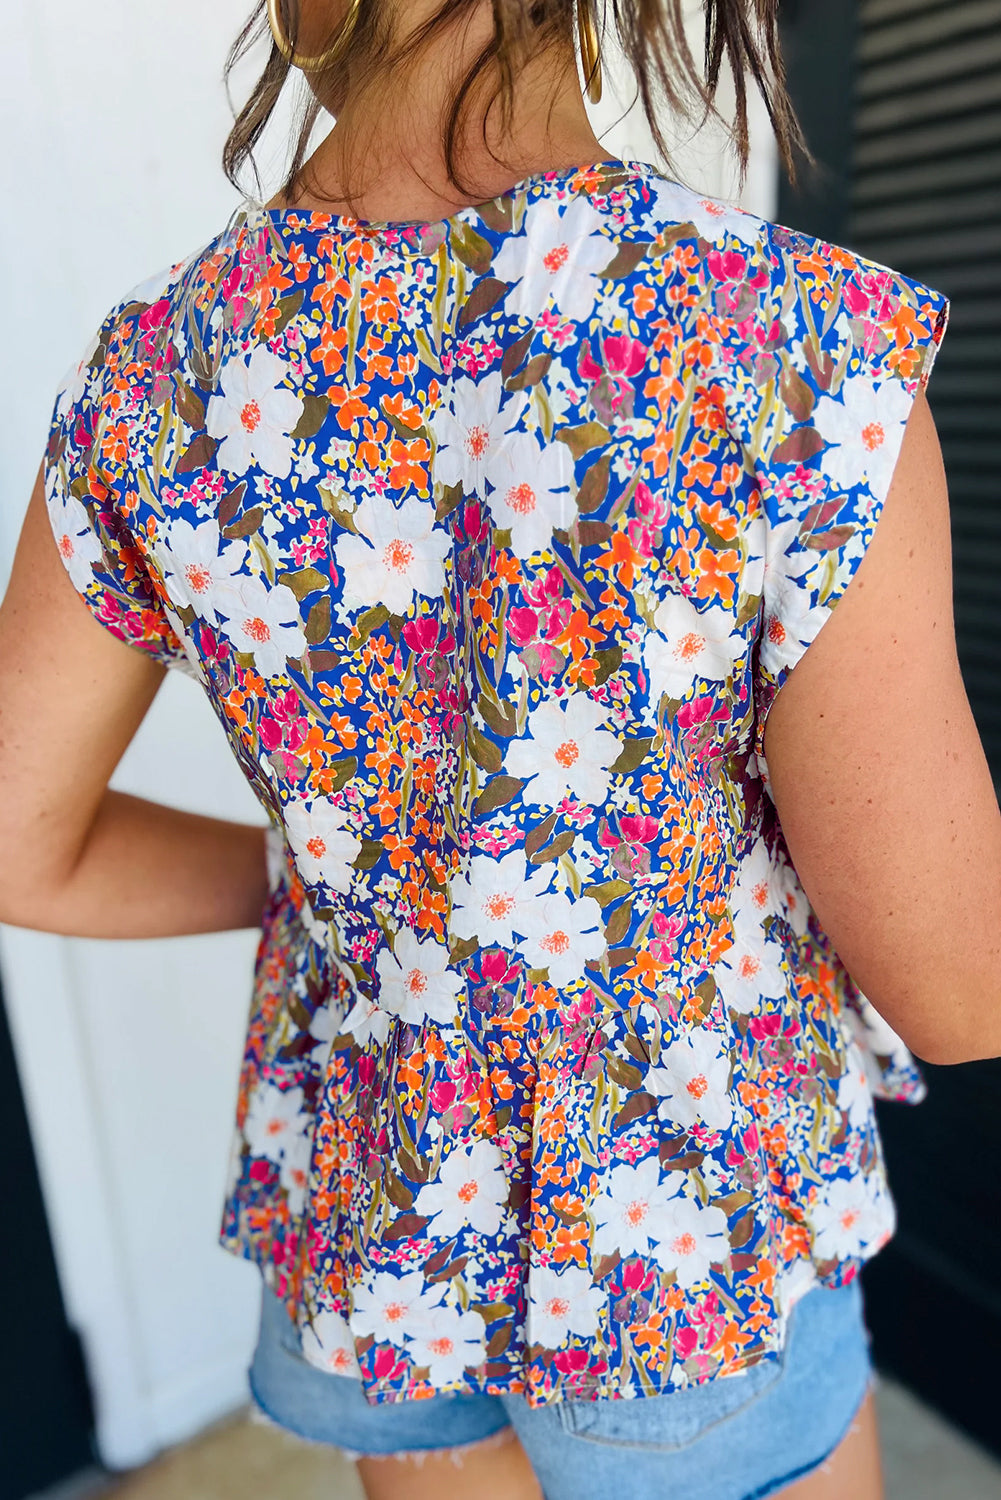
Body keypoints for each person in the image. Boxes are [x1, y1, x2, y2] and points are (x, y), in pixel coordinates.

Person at [2, 0, 999, 1495]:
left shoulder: (155, 376)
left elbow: (21, 844)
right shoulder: (790, 350)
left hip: (376, 1225)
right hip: (677, 1245)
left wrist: (351, 888)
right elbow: (959, 985)